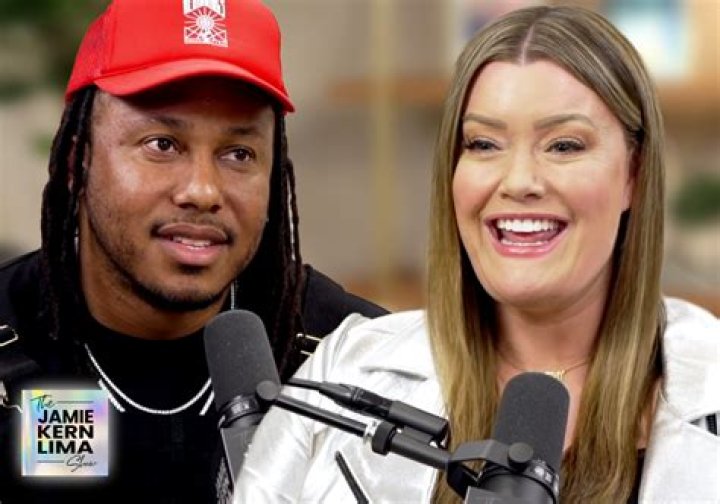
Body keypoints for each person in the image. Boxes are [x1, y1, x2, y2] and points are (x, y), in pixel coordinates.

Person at [235, 5, 719, 503]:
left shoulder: (710, 381)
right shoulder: (345, 368)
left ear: (634, 173)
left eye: (564, 146)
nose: (519, 181)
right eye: (484, 144)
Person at [0, 0, 386, 502]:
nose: (203, 191)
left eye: (239, 153)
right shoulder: (12, 335)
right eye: (162, 144)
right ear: (77, 163)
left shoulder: (353, 365)